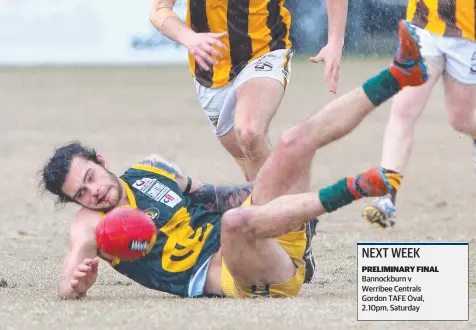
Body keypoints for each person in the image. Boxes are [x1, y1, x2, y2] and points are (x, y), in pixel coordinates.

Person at [40, 20, 427, 300]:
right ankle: (359, 187)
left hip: (263, 231)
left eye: (91, 177)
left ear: (102, 160)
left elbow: (213, 194)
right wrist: (74, 283)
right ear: (76, 202)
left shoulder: (148, 171)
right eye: (82, 193)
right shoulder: (91, 226)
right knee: (237, 221)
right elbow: (68, 274)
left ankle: (398, 74)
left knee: (292, 144)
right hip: (242, 274)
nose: (95, 193)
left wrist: (270, 187)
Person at [149, 0, 348, 283]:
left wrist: (335, 42)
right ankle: (296, 220)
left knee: (250, 132)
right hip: (210, 72)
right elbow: (159, 10)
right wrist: (189, 38)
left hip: (264, 51)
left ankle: (288, 237)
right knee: (249, 163)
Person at [362, 0, 476, 228]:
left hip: (467, 33)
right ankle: (386, 194)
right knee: (403, 108)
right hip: (423, 24)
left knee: (461, 120)